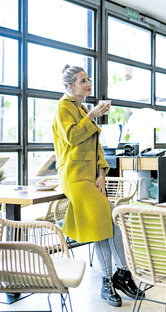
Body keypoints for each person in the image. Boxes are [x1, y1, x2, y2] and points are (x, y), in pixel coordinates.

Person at [52, 65, 143, 307]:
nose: (88, 83)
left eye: (88, 79)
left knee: (107, 219)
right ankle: (117, 275)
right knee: (106, 214)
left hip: (91, 176)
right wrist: (91, 116)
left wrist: (102, 172)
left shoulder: (80, 108)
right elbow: (71, 137)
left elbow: (96, 145)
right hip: (73, 176)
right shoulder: (64, 107)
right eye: (83, 80)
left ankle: (114, 278)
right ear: (70, 86)